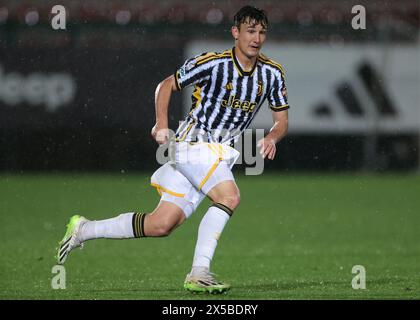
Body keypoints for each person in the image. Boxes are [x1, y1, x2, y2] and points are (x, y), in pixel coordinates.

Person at [56, 5, 289, 294]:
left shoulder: (272, 73)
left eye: (262, 32)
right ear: (235, 33)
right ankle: (199, 272)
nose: (256, 38)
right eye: (250, 31)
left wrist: (272, 137)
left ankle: (84, 229)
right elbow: (166, 85)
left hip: (221, 155)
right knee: (229, 196)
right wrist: (161, 124)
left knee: (160, 225)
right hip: (192, 145)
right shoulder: (213, 63)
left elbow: (281, 121)